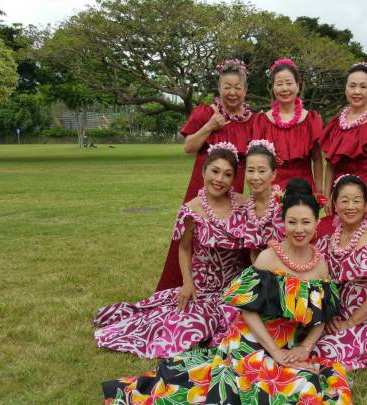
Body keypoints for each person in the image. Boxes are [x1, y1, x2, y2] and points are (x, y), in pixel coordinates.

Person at [101, 178, 353, 405]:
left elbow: (322, 314)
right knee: (278, 387)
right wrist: (275, 352)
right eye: (292, 222)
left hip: (289, 342)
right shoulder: (268, 258)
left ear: (317, 223)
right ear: (283, 222)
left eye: (306, 222)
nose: (299, 229)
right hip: (251, 338)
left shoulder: (320, 264)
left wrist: (306, 347)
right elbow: (247, 311)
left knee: (310, 386)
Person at [94, 143, 247, 359]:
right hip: (202, 290)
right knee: (192, 327)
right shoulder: (191, 209)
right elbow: (184, 248)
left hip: (235, 288)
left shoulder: (242, 204)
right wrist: (187, 284)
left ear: (233, 179)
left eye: (227, 174)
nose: (219, 179)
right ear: (203, 172)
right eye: (215, 171)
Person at [156, 59, 254, 291]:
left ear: (245, 90)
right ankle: (184, 284)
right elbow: (189, 147)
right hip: (202, 186)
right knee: (191, 237)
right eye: (227, 87)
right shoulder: (205, 112)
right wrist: (210, 125)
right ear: (219, 88)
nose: (232, 92)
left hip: (234, 190)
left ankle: (228, 287)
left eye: (237, 87)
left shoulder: (253, 121)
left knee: (232, 241)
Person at [313, 174, 367, 371]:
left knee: (323, 352)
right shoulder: (327, 241)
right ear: (335, 203)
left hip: (366, 318)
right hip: (336, 314)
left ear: (365, 204)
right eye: (344, 200)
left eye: (357, 201)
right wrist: (328, 315)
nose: (350, 206)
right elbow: (321, 282)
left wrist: (350, 322)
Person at [318, 62, 367, 236]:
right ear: (346, 89)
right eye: (352, 86)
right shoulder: (336, 123)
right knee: (340, 239)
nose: (357, 91)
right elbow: (330, 164)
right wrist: (328, 195)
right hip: (341, 194)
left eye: (363, 86)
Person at [252, 58, 324, 191]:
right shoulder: (262, 121)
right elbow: (257, 163)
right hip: (271, 192)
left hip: (304, 191)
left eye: (289, 83)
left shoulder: (311, 119)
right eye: (279, 84)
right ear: (273, 87)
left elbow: (318, 159)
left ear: (297, 85)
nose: (284, 88)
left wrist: (319, 192)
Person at [230, 139, 285, 263]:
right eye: (250, 170)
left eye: (261, 171)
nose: (255, 177)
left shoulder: (283, 204)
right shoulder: (244, 208)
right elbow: (253, 252)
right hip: (256, 270)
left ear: (273, 174)